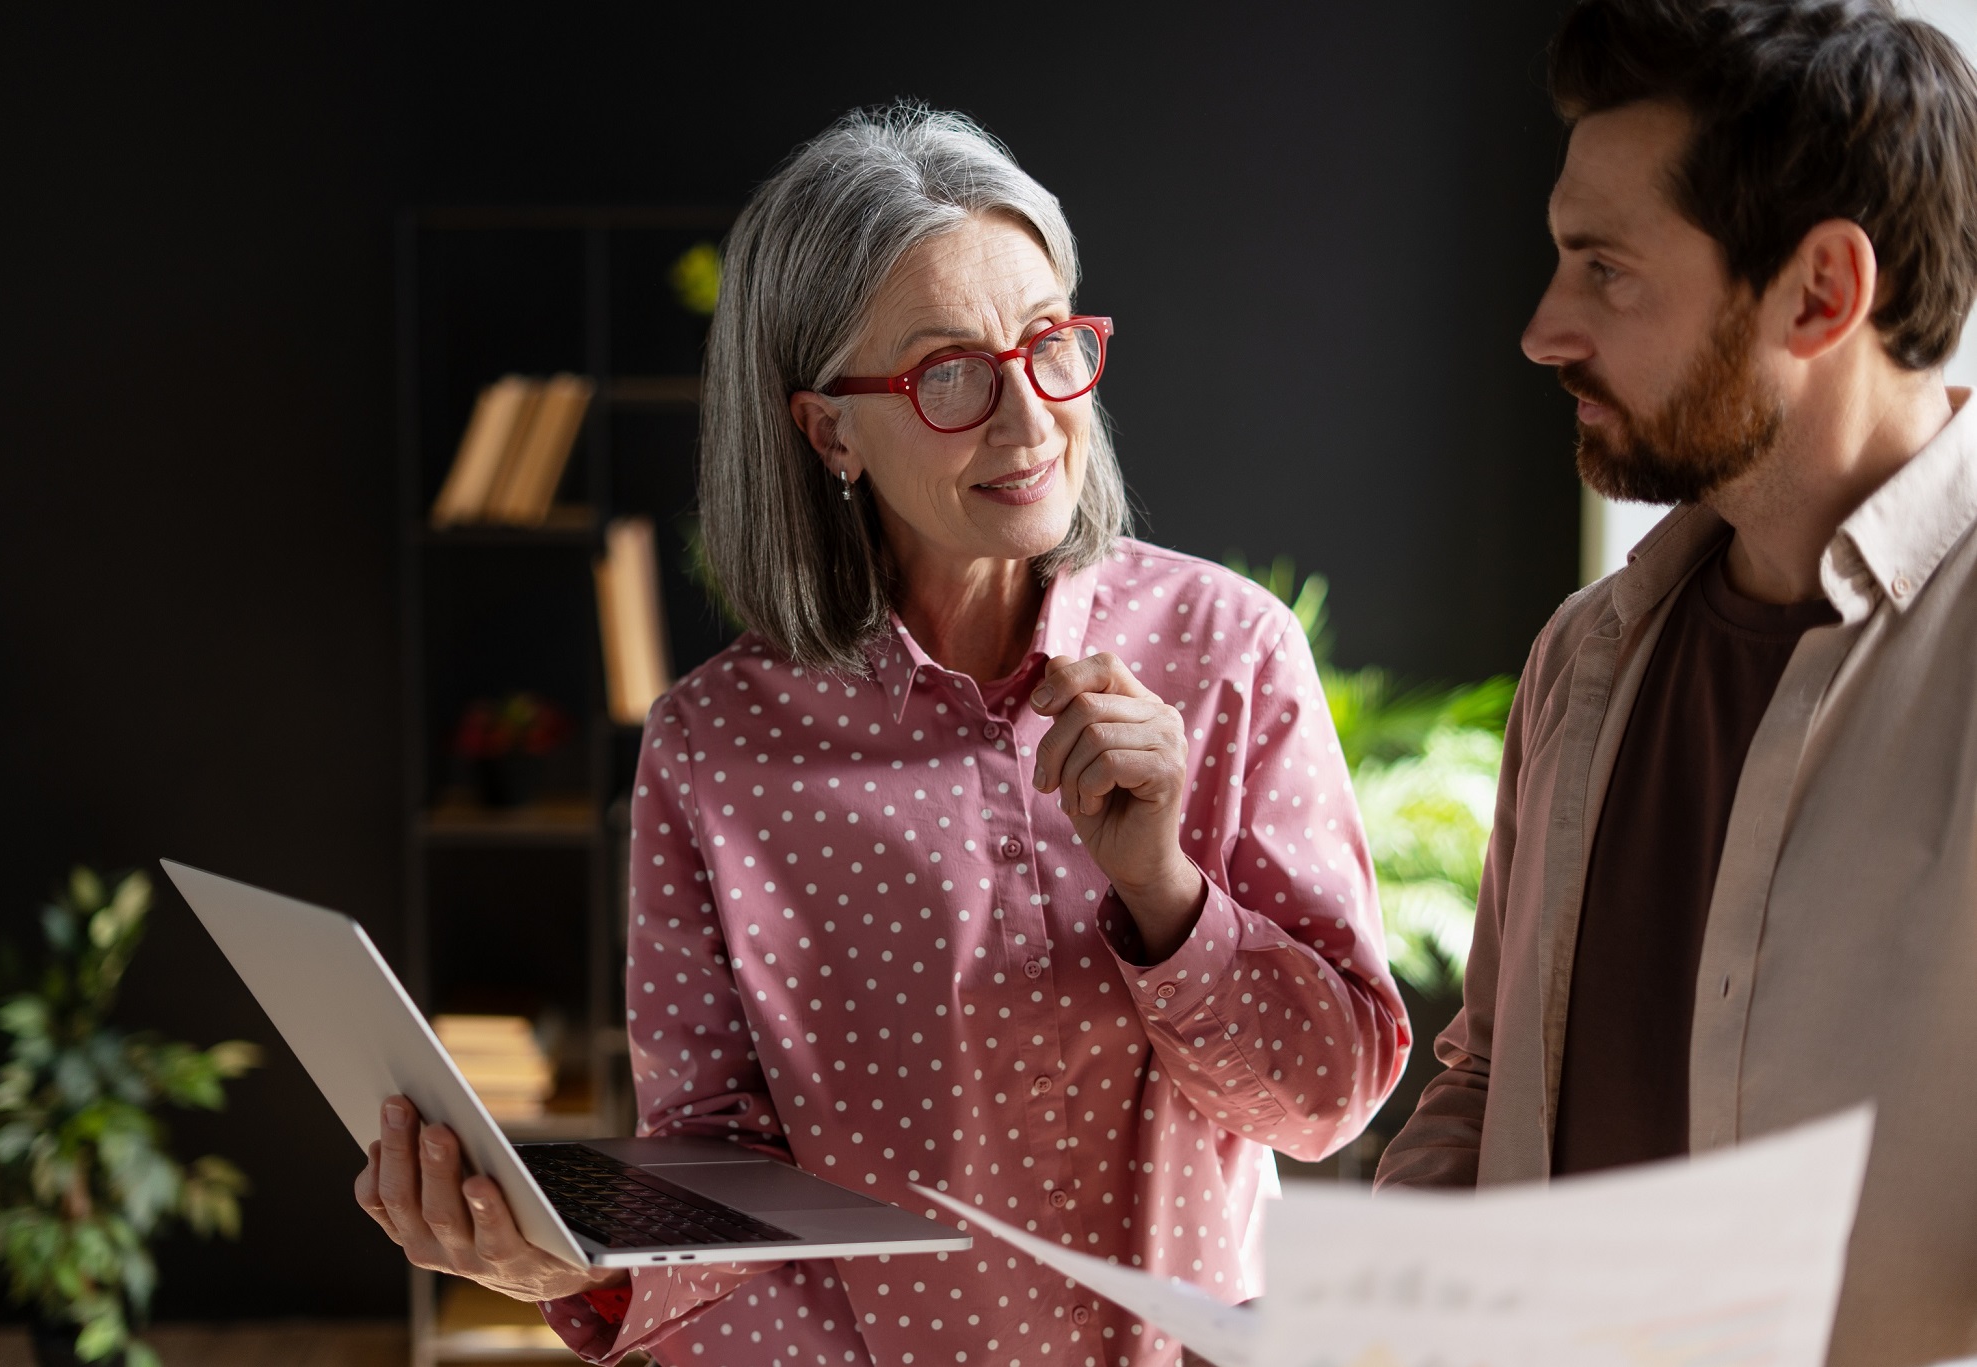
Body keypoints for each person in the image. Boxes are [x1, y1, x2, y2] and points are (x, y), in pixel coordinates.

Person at [354, 106, 1408, 1366]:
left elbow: (1325, 1101)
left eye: (1049, 345)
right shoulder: (714, 744)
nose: (1028, 423)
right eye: (948, 373)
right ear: (827, 429)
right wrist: (577, 1268)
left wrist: (1162, 890)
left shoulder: (1228, 652)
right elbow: (720, 1185)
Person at [1375, 3, 1977, 1364]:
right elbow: (1485, 1071)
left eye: (1604, 271)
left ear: (1819, 292)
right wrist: (1391, 1299)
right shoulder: (1580, 656)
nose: (1540, 329)